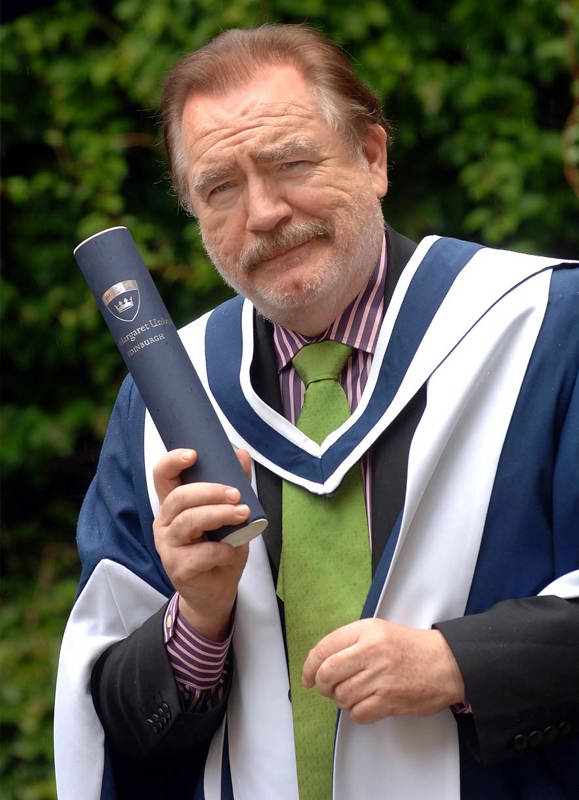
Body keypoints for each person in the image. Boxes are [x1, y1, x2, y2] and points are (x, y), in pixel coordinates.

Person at [54, 23, 579, 800]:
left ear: (372, 157)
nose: (261, 214)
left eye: (290, 163)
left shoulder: (546, 330)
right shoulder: (164, 401)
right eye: (219, 189)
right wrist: (197, 618)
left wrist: (461, 663)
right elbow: (113, 725)